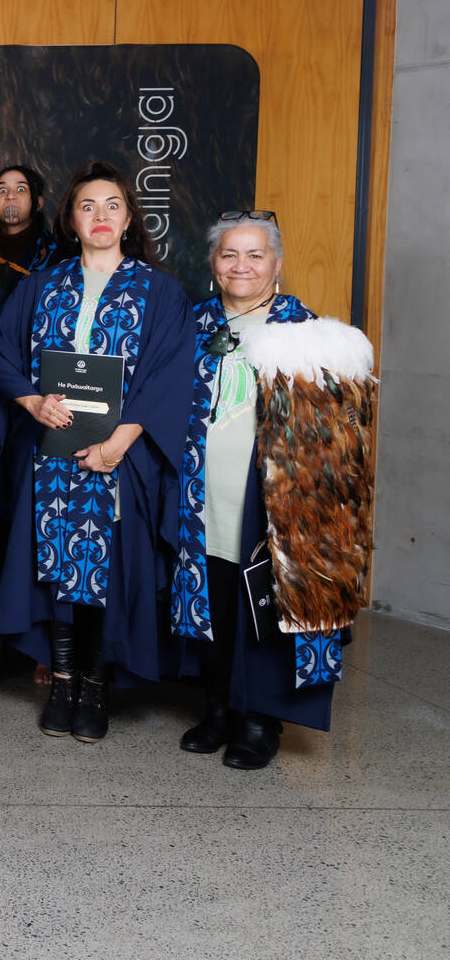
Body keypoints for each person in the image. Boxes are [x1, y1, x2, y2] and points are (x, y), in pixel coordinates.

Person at [0, 161, 193, 743]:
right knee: (54, 569)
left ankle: (96, 688)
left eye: (111, 206)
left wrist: (119, 445)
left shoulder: (159, 292)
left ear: (129, 216)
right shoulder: (42, 285)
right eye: (87, 207)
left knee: (105, 572)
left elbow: (167, 378)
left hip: (117, 462)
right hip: (50, 454)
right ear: (70, 219)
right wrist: (30, 404)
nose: (99, 217)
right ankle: (64, 681)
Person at [167, 213, 376, 769]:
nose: (242, 266)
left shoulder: (307, 333)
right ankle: (217, 708)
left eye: (255, 255)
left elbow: (338, 436)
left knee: (264, 602)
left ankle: (260, 721)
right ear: (212, 264)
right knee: (213, 596)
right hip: (200, 491)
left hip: (274, 496)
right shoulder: (190, 322)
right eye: (229, 255)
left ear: (277, 264)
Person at [0, 164, 64, 296]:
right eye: (2, 190)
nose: (10, 196)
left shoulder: (59, 258)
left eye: (21, 189)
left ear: (38, 203)